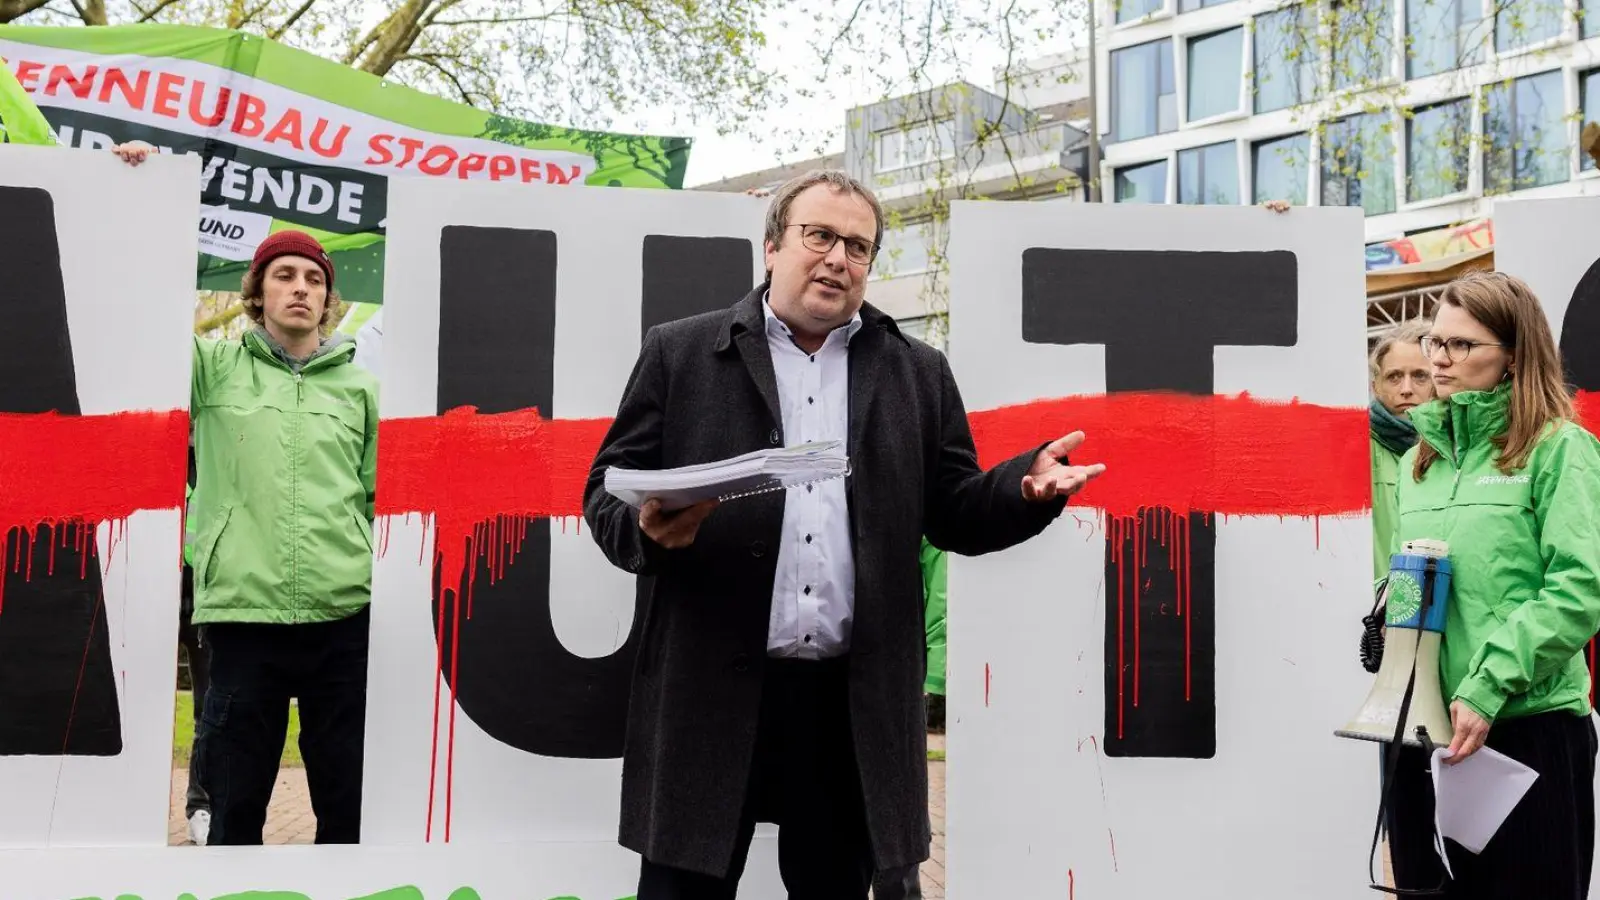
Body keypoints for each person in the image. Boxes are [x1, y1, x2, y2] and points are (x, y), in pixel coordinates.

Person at [583, 169, 1105, 898]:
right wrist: (646, 530)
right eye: (819, 236)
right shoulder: (681, 353)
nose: (837, 258)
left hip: (850, 707)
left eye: (858, 247)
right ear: (772, 246)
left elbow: (953, 508)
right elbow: (606, 488)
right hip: (709, 690)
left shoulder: (917, 371)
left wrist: (1020, 488)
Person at [1384, 271, 1600, 899]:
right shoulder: (1417, 461)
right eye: (1434, 341)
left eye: (1461, 346)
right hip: (1427, 731)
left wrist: (1487, 685)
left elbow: (1579, 590)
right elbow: (1411, 581)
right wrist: (1390, 641)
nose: (1439, 361)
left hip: (1524, 727)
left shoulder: (1560, 450)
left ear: (1512, 355)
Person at [1368, 319, 1434, 579]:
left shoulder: (1461, 452)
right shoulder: (1355, 449)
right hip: (1373, 612)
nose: (1406, 389)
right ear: (1376, 387)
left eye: (1420, 376)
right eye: (1394, 377)